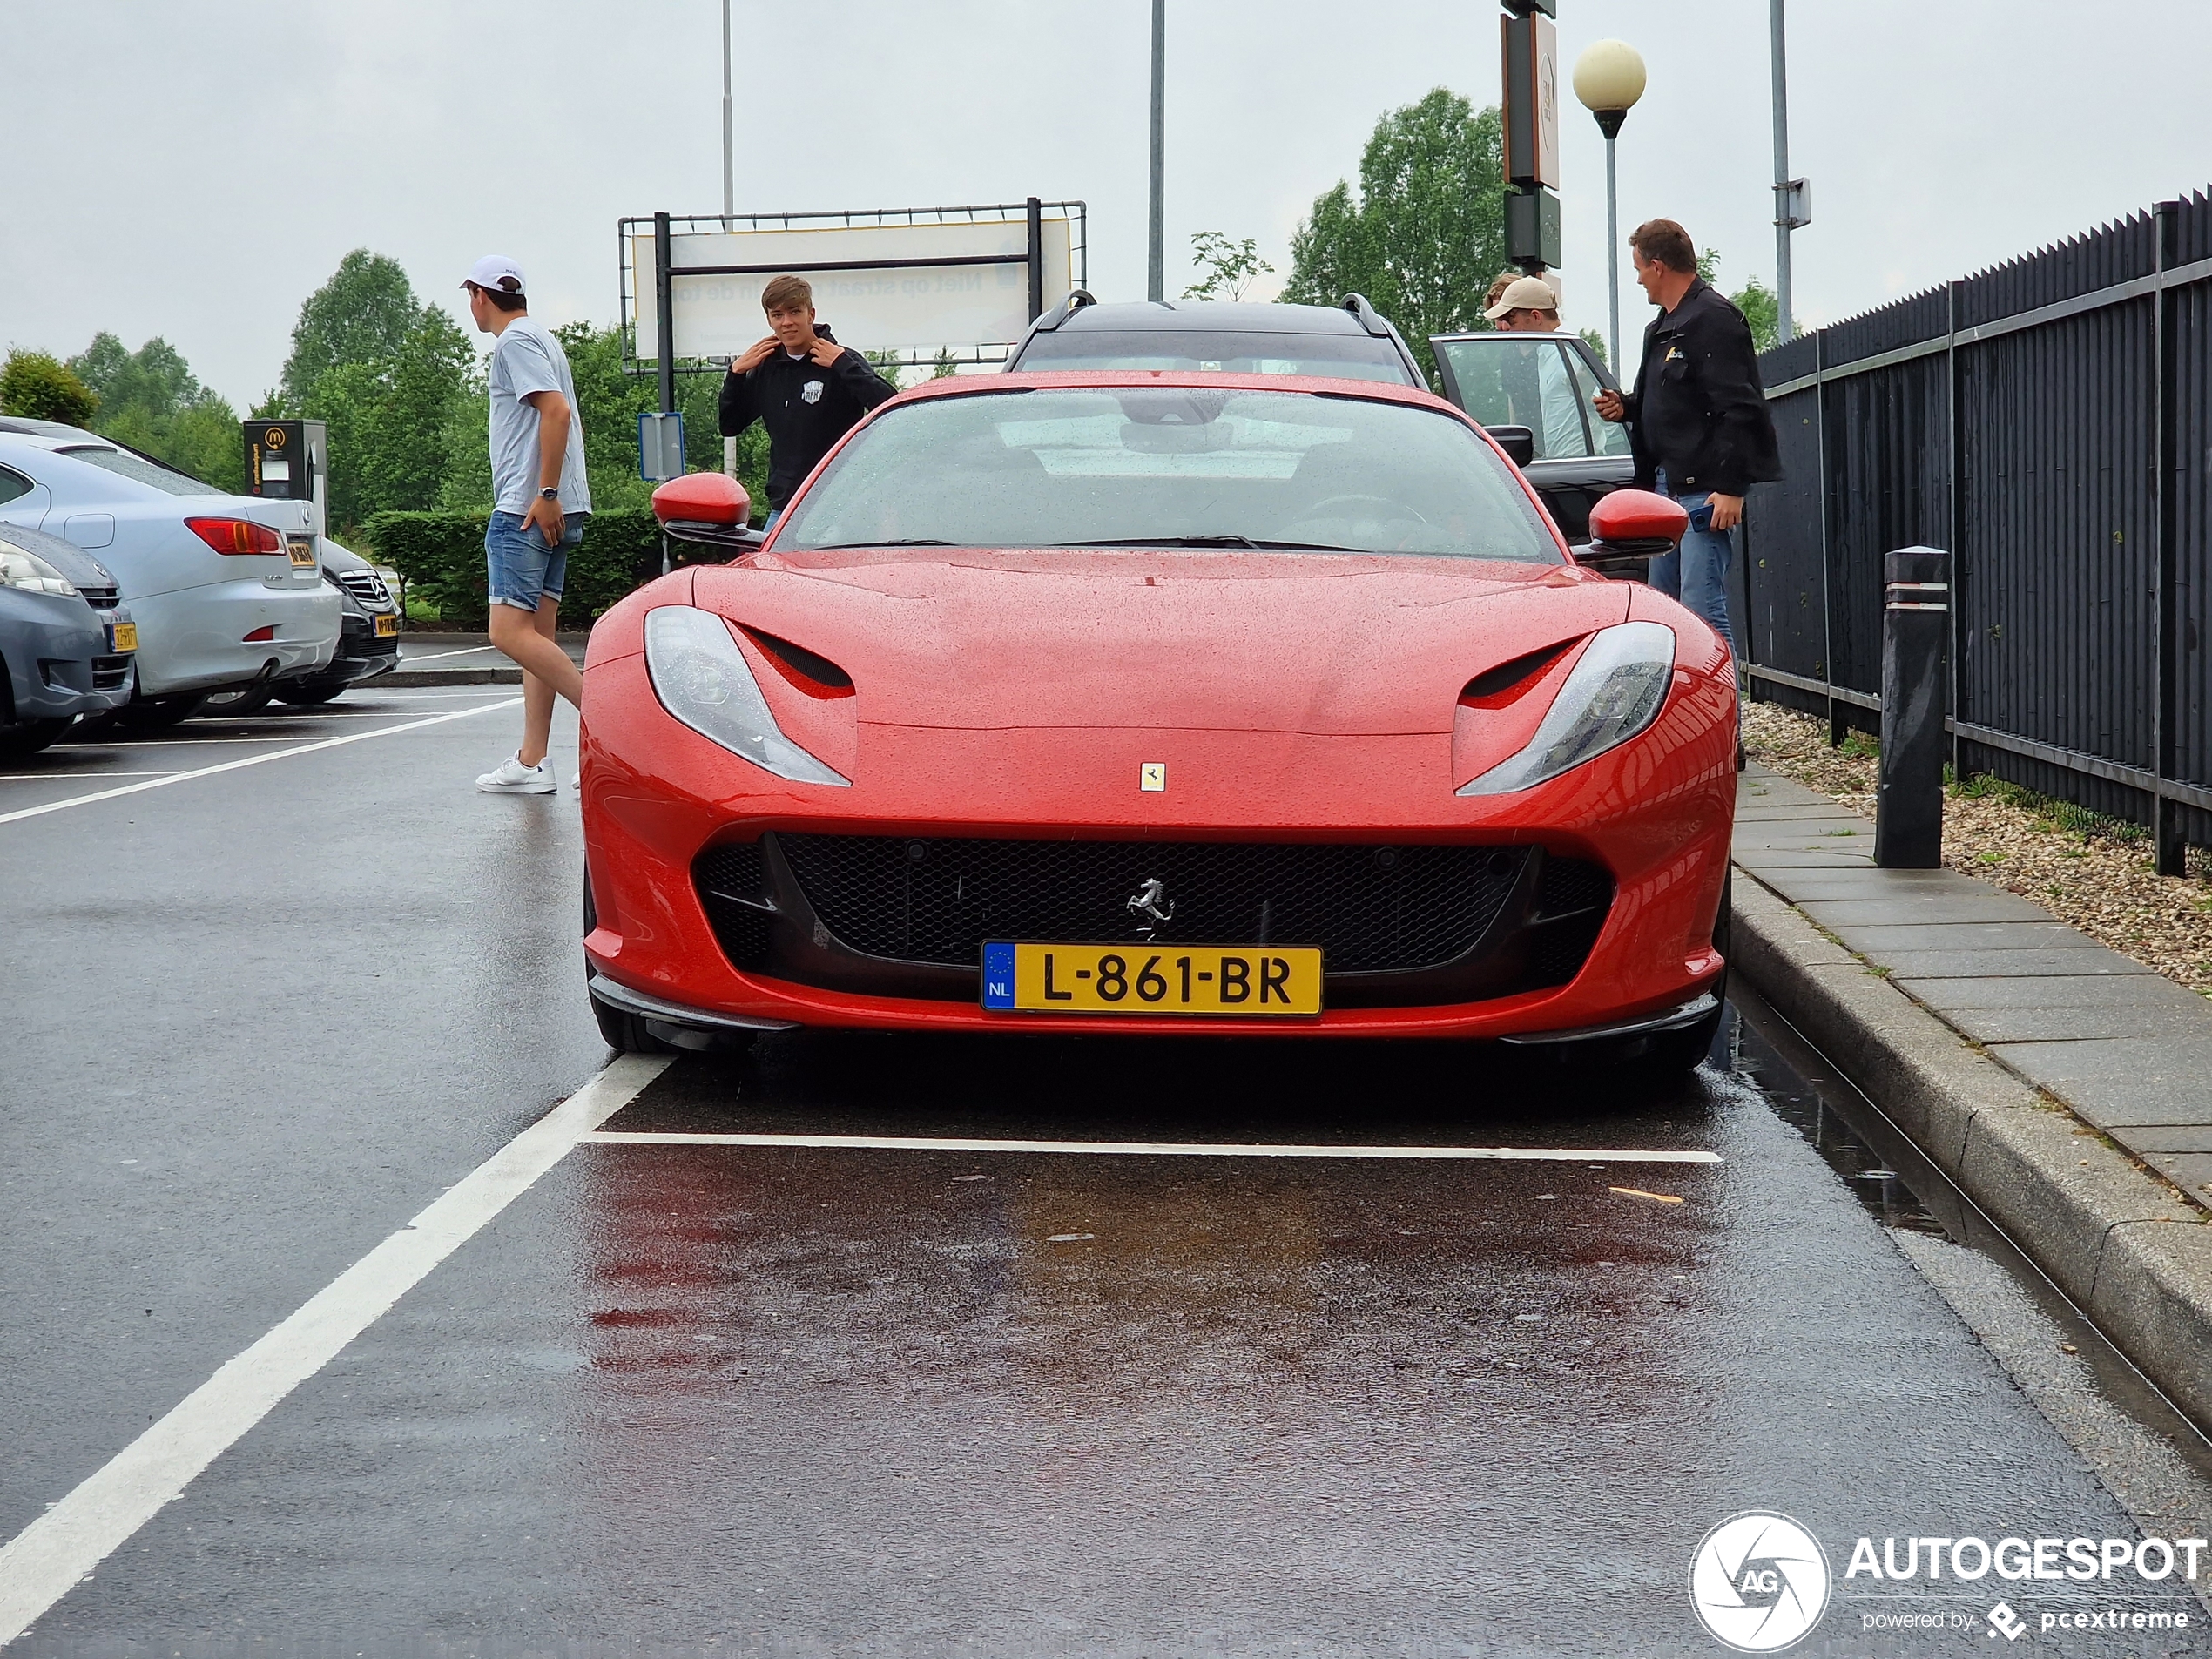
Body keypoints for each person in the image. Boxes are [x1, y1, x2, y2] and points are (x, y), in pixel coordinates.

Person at [1591, 219, 1780, 658]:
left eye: (1639, 268)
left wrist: (1733, 488)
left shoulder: (1713, 319)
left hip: (1703, 495)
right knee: (1667, 615)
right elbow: (1677, 400)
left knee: (1702, 612)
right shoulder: (1661, 328)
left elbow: (1742, 407)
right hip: (1662, 491)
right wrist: (1628, 406)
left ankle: (1724, 721)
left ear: (1657, 266)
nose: (1637, 279)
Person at [462, 254, 590, 795]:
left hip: (527, 505)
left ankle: (618, 724)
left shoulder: (513, 343)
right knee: (538, 635)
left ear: (479, 296)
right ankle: (534, 761)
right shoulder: (542, 337)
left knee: (506, 633)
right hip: (554, 503)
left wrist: (544, 493)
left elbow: (555, 412)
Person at [718, 274, 898, 528]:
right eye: (777, 315)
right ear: (769, 320)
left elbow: (891, 408)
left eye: (795, 312)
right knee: (772, 568)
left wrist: (843, 364)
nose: (787, 322)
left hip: (844, 509)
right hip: (786, 510)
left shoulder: (842, 360)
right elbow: (729, 425)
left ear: (810, 314)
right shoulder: (765, 368)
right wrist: (735, 374)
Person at [1484, 274, 1585, 461]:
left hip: (1573, 461)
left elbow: (1596, 409)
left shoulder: (1568, 353)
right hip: (1553, 458)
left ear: (1536, 316)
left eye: (1511, 321)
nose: (1506, 328)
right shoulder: (1545, 352)